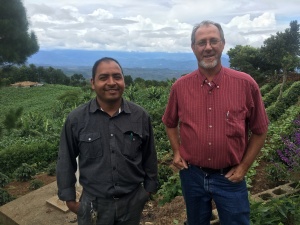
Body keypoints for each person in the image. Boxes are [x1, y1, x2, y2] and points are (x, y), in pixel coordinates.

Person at [162, 20, 269, 225]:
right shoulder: (180, 87)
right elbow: (169, 122)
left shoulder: (246, 84)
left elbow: (260, 130)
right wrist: (176, 152)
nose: (208, 47)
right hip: (192, 175)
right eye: (202, 43)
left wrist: (244, 166)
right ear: (193, 48)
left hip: (229, 176)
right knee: (196, 222)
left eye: (213, 41)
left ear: (223, 44)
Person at [56, 57, 158, 225]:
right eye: (103, 78)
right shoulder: (77, 119)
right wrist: (70, 199)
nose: (112, 82)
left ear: (124, 80)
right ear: (93, 83)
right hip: (93, 202)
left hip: (132, 201)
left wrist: (147, 190)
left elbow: (149, 156)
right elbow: (65, 160)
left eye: (117, 77)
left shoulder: (140, 116)